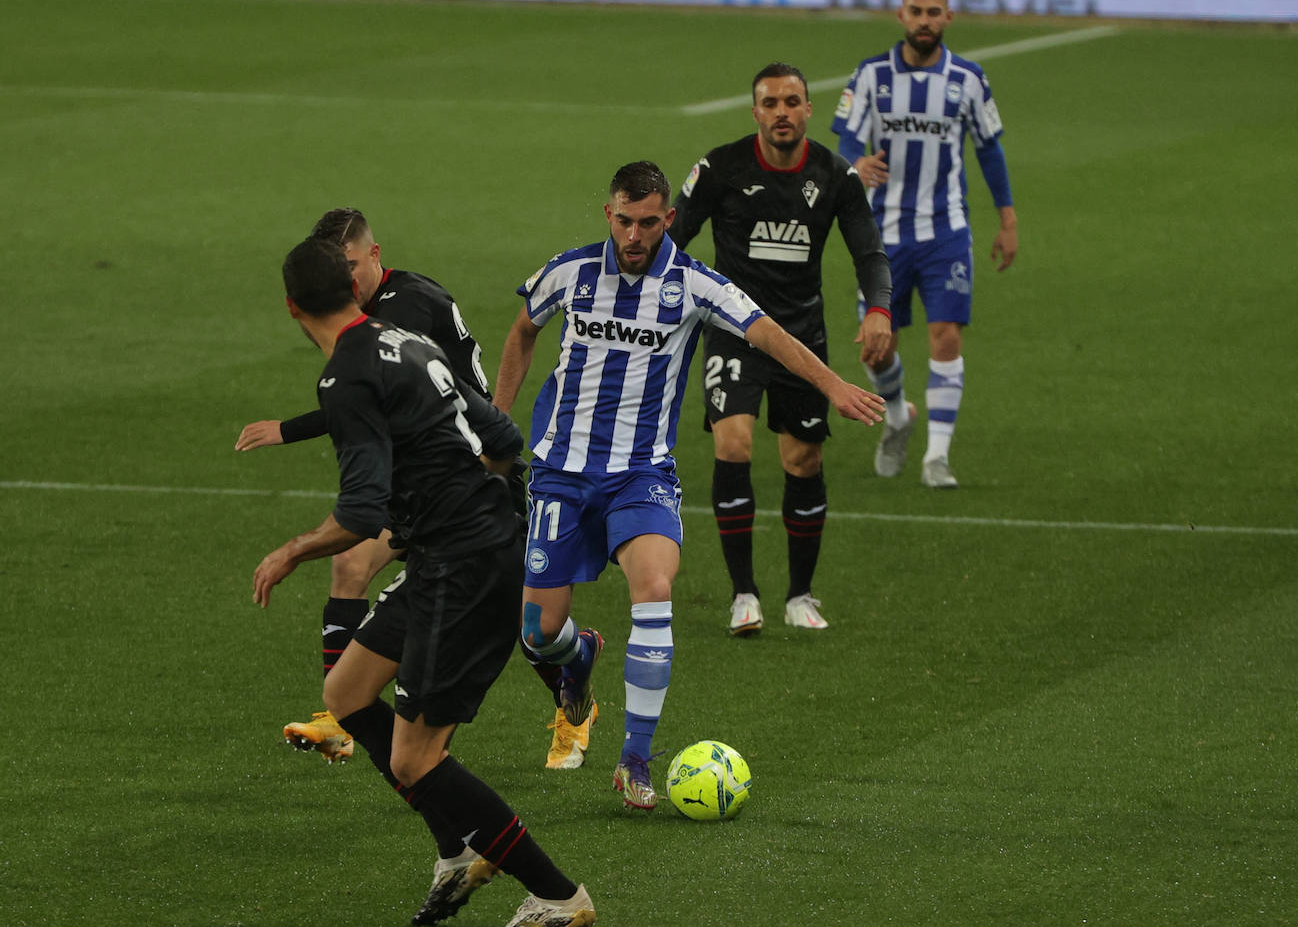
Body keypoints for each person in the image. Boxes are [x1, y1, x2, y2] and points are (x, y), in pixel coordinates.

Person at [493, 161, 883, 810]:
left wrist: (833, 385)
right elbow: (523, 330)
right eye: (625, 221)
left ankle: (634, 760)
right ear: (609, 215)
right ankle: (580, 657)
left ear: (668, 218)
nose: (635, 235)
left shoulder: (696, 285)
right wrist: (499, 427)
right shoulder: (571, 273)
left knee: (655, 588)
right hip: (561, 473)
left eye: (649, 222)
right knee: (537, 632)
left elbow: (771, 335)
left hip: (642, 475)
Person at [252, 236, 595, 927]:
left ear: (292, 307)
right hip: (460, 551)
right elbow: (500, 437)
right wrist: (483, 514)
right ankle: (457, 848)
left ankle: (561, 898)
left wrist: (292, 552)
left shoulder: (344, 377)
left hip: (462, 567)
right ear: (354, 290)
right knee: (346, 693)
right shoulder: (404, 340)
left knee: (414, 759)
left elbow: (361, 511)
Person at [669, 62, 892, 637]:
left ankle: (800, 595)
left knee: (803, 460)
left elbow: (868, 252)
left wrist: (878, 309)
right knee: (735, 442)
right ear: (756, 113)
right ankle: (743, 593)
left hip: (801, 338)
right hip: (734, 329)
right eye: (771, 103)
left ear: (808, 109)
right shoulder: (721, 168)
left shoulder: (835, 175)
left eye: (792, 101)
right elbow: (674, 237)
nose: (782, 113)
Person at [831, 0, 1020, 488]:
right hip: (882, 236)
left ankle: (937, 456)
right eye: (916, 11)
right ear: (901, 16)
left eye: (933, 12)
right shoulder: (870, 76)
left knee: (946, 335)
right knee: (876, 348)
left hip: (946, 232)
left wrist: (1007, 219)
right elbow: (845, 140)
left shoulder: (968, 79)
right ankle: (897, 416)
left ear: (948, 18)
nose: (924, 21)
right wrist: (855, 164)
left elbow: (989, 148)